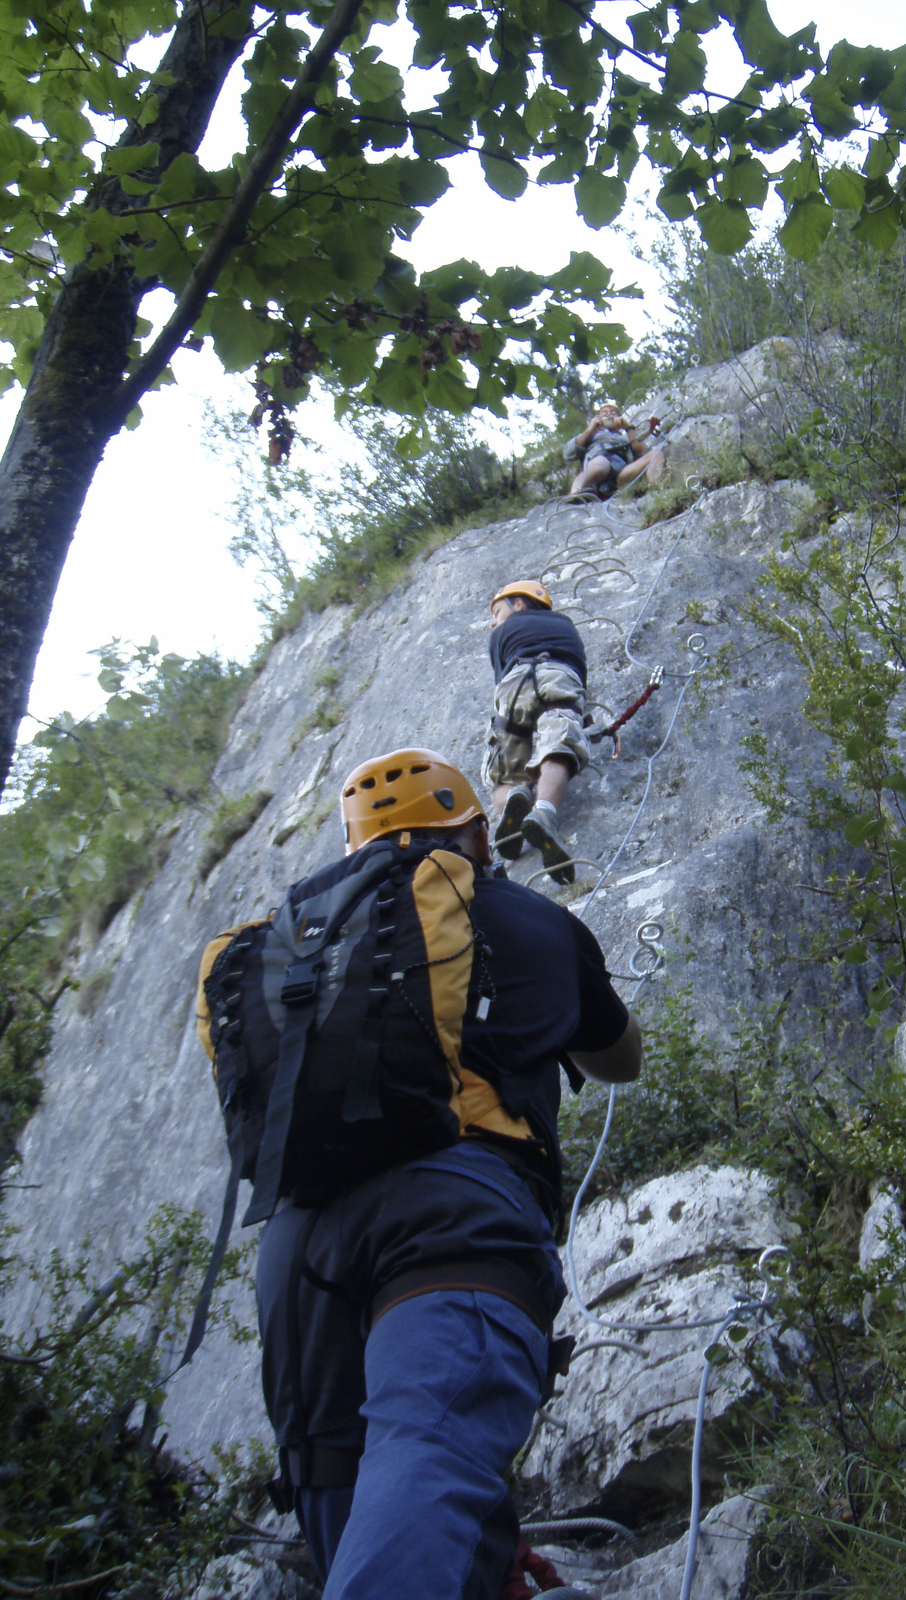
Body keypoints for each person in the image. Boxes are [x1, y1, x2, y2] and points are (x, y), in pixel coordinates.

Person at [197, 749, 641, 1600]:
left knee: (339, 1485)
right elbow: (619, 1060)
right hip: (452, 1217)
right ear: (475, 829)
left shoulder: (297, 938)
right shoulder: (525, 918)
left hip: (297, 1246)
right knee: (431, 1450)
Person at [485, 580, 589, 885]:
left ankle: (517, 794)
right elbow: (579, 667)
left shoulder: (500, 634)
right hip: (559, 674)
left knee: (506, 769)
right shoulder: (565, 624)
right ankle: (543, 812)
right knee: (558, 744)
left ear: (518, 604)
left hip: (515, 680)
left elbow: (499, 677)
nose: (492, 621)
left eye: (496, 611)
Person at [564, 402, 659, 500]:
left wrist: (627, 427)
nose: (609, 415)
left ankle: (657, 491)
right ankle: (575, 493)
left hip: (620, 472)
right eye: (604, 413)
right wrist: (591, 428)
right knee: (600, 466)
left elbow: (642, 451)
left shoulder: (626, 437)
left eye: (613, 413)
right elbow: (569, 454)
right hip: (599, 460)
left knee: (656, 454)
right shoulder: (591, 435)